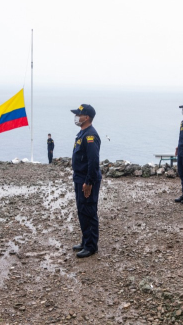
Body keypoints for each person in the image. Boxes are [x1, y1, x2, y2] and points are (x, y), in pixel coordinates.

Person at [70, 104, 102, 258]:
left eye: (79, 114)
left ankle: (91, 246)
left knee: (89, 211)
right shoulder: (82, 133)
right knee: (82, 210)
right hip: (79, 177)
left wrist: (88, 182)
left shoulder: (90, 136)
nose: (77, 116)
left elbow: (93, 161)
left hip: (86, 179)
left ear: (87, 117)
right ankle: (85, 240)